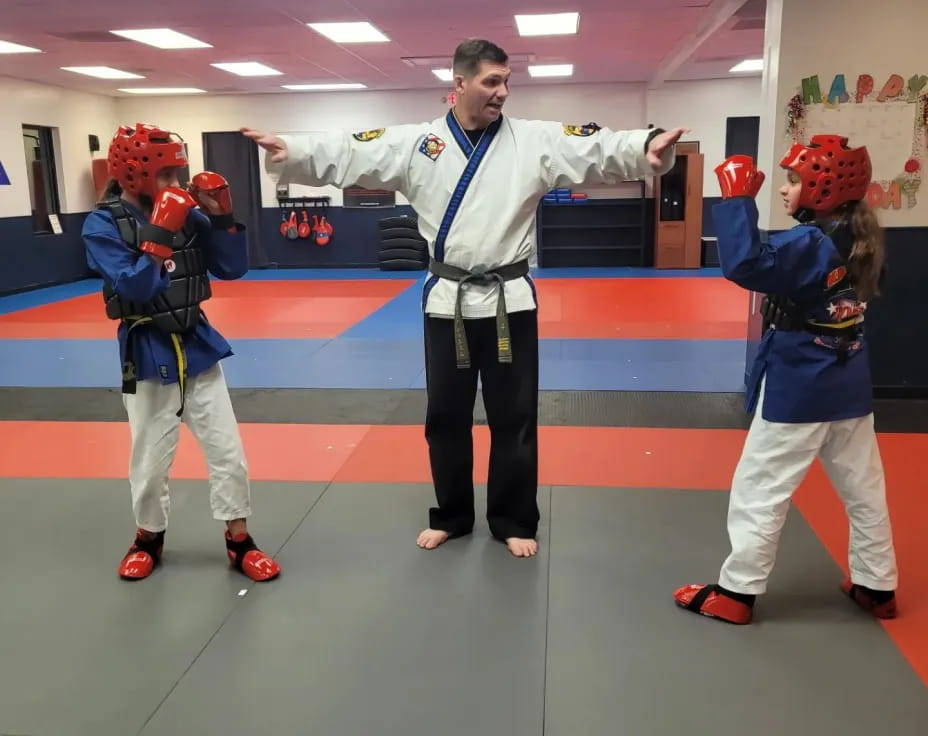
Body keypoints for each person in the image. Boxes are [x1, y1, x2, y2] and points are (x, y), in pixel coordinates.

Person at [243, 39, 684, 558]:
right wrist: (291, 152)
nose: (502, 92)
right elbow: (352, 150)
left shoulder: (531, 141)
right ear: (457, 84)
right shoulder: (418, 144)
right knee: (445, 418)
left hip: (509, 301)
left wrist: (644, 147)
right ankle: (451, 514)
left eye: (506, 81)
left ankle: (514, 519)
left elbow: (590, 146)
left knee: (514, 416)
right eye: (491, 82)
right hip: (446, 302)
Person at [673, 135, 898, 624]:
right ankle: (877, 585)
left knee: (760, 488)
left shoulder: (810, 243)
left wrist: (735, 199)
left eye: (794, 180)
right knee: (864, 489)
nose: (783, 189)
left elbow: (745, 263)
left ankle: (736, 593)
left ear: (823, 187)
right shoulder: (863, 238)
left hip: (801, 384)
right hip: (850, 383)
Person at [82, 122, 281, 583]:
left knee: (228, 453)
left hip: (198, 345)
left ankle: (239, 540)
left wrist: (223, 216)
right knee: (149, 462)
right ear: (134, 174)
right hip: (148, 351)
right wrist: (161, 230)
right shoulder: (102, 224)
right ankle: (147, 538)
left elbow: (231, 268)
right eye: (166, 175)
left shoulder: (188, 214)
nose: (175, 185)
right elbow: (135, 285)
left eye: (178, 173)